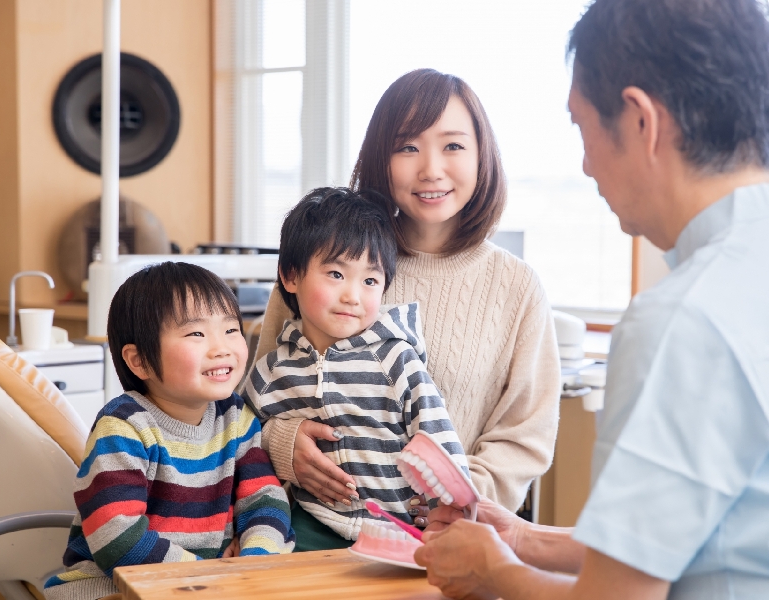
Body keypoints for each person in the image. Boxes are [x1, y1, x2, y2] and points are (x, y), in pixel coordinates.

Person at [413, 0, 769, 598]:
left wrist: (493, 570)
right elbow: (689, 533)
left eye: (581, 128)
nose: (584, 165)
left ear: (640, 121)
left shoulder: (680, 322)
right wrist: (523, 539)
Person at [253, 69, 561, 521]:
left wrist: (455, 501)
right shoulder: (324, 260)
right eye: (408, 147)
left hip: (444, 537)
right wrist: (281, 444)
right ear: (381, 157)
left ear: (482, 156)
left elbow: (523, 438)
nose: (431, 169)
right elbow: (250, 403)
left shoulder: (518, 287)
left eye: (453, 146)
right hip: (309, 530)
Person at [44, 263, 294, 600]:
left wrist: (254, 561)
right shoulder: (124, 427)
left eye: (230, 329)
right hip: (110, 585)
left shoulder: (236, 418)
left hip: (208, 585)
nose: (221, 347)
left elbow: (265, 500)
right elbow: (118, 538)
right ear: (140, 361)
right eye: (196, 334)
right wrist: (207, 575)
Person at [243, 187, 469, 551]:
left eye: (370, 281)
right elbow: (239, 439)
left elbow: (437, 435)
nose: (353, 296)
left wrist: (452, 508)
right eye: (336, 274)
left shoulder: (396, 359)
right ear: (291, 276)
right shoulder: (271, 372)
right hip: (311, 522)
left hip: (397, 528)